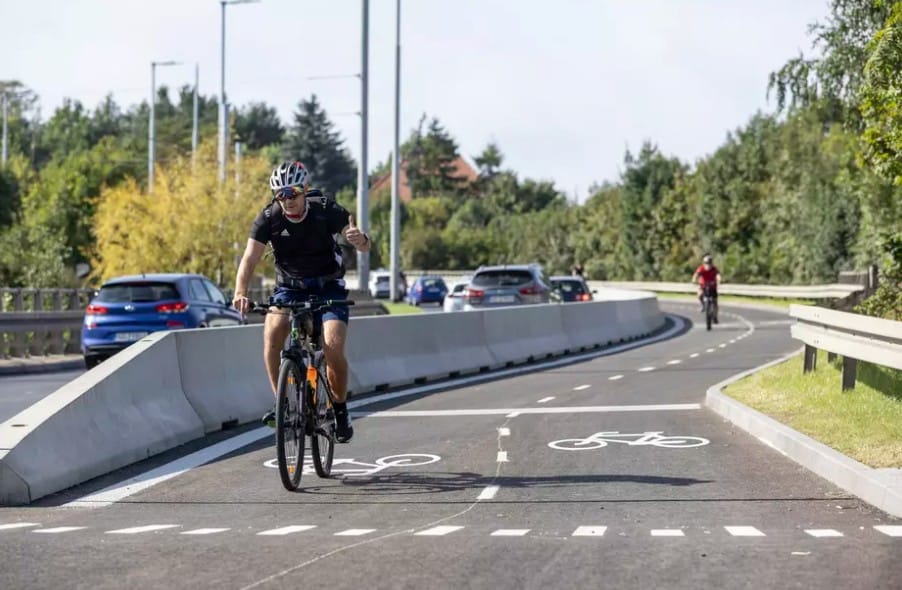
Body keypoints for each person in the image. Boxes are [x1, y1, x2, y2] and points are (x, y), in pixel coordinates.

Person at [232, 160, 371, 443]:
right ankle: (282, 404)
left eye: (293, 193)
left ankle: (341, 409)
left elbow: (360, 241)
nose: (287, 200)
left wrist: (360, 240)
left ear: (305, 190)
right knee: (272, 332)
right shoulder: (269, 218)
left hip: (328, 286)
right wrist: (240, 291)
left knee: (332, 347)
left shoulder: (324, 208)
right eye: (281, 194)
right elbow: (249, 258)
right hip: (289, 289)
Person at [691, 254, 721, 320]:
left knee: (715, 302)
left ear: (711, 262)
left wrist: (719, 280)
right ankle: (703, 305)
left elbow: (718, 275)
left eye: (709, 262)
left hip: (712, 286)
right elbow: (696, 275)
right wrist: (694, 280)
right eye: (706, 262)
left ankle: (715, 316)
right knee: (699, 295)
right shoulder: (701, 268)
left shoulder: (714, 269)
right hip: (703, 285)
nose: (708, 264)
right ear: (704, 263)